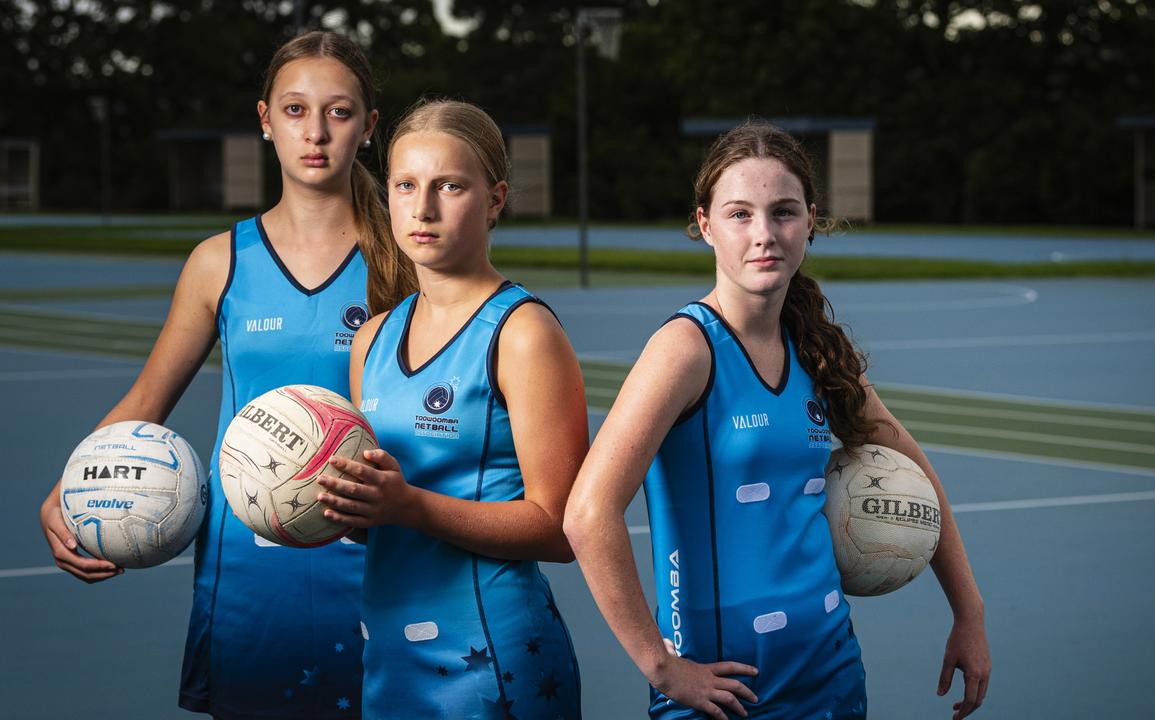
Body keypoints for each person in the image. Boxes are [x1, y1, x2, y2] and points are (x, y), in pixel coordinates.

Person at [37, 31, 413, 718]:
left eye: (339, 111)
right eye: (296, 111)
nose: (317, 132)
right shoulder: (220, 261)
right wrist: (71, 486)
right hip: (245, 570)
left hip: (375, 559)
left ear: (368, 128)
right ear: (265, 120)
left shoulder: (405, 257)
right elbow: (147, 400)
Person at [563, 122, 991, 720]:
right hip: (720, 691)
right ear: (706, 224)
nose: (764, 234)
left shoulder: (817, 351)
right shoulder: (687, 349)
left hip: (829, 669)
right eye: (740, 214)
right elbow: (587, 513)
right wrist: (662, 668)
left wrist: (968, 614)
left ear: (811, 220)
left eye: (783, 212)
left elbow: (916, 474)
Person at [314, 99, 585, 719]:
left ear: (494, 199)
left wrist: (408, 504)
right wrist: (324, 500)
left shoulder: (522, 332)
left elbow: (559, 526)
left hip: (491, 656)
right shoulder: (372, 339)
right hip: (387, 650)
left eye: (450, 186)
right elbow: (374, 519)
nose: (423, 207)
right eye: (406, 185)